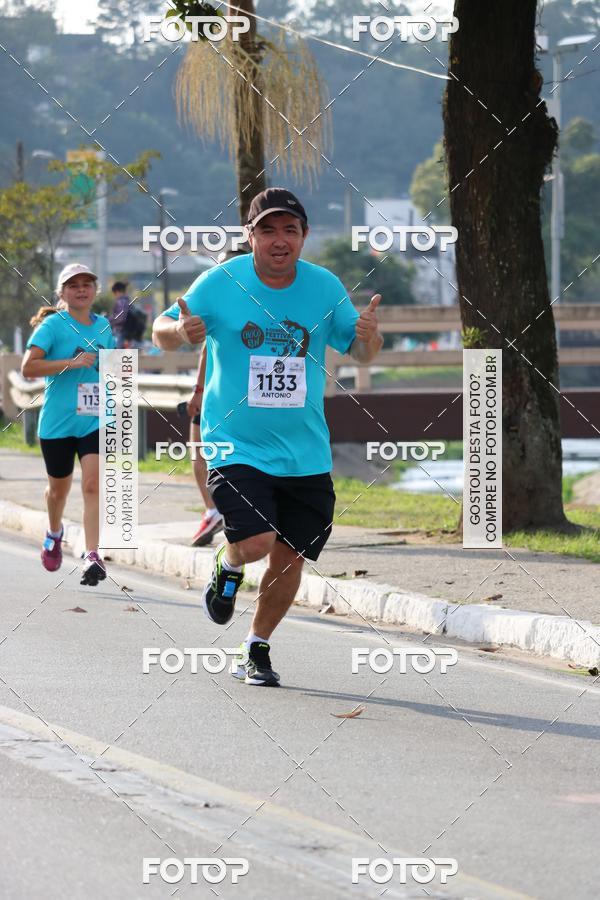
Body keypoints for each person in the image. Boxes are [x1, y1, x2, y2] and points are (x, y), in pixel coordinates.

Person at [153, 188, 382, 687]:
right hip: (235, 442)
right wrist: (179, 333)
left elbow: (362, 354)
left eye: (290, 230)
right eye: (268, 230)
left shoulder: (324, 287)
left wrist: (368, 335)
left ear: (304, 236)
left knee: (291, 555)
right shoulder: (221, 282)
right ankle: (229, 562)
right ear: (249, 236)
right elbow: (161, 328)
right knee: (255, 541)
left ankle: (256, 647)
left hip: (304, 451)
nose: (280, 240)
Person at [22, 263, 116, 586]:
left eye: (87, 284)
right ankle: (54, 530)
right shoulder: (52, 326)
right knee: (58, 492)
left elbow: (111, 370)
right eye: (73, 285)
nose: (81, 289)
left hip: (94, 420)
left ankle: (92, 554)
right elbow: (28, 367)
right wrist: (69, 364)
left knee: (92, 485)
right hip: (58, 424)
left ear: (95, 290)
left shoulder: (104, 327)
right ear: (62, 293)